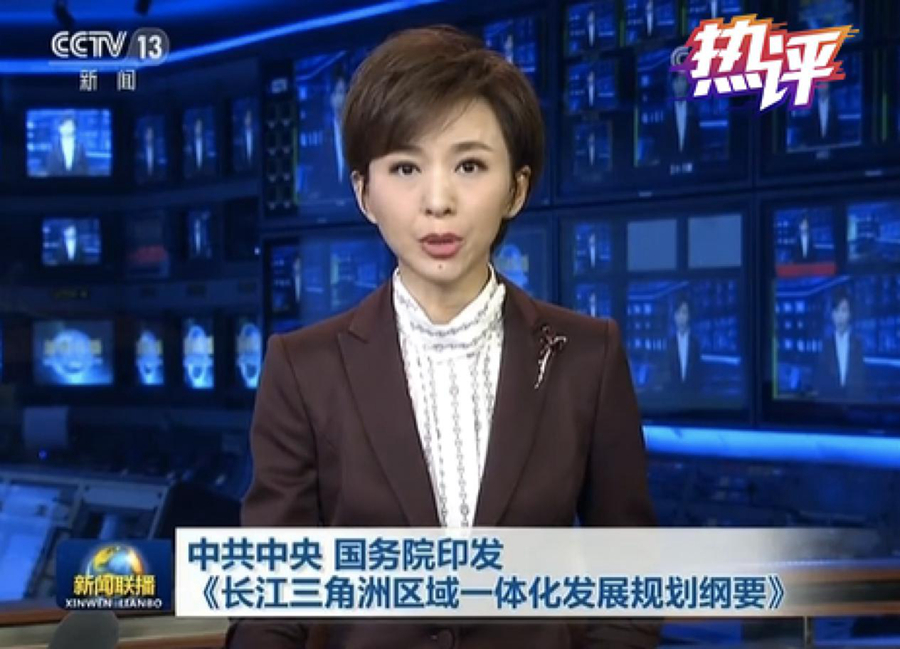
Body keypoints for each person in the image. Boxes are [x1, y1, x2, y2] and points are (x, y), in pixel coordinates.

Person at [227, 25, 659, 649]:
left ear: (516, 188)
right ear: (364, 192)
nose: (438, 201)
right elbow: (270, 603)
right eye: (405, 167)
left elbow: (630, 580)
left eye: (469, 165)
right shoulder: (302, 368)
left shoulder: (587, 356)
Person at [815, 290, 866, 400]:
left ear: (850, 314)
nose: (840, 316)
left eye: (844, 310)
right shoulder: (826, 345)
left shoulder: (858, 344)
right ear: (832, 315)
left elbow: (862, 380)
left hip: (855, 403)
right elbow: (821, 381)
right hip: (831, 404)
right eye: (836, 311)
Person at [666, 296, 702, 394]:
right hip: (673, 396)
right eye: (678, 313)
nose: (681, 317)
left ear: (689, 316)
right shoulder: (669, 344)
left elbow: (698, 374)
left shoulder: (695, 344)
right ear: (674, 317)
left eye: (684, 312)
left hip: (693, 396)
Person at [664, 72, 700, 160]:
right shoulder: (667, 114)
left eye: (682, 80)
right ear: (672, 84)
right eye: (676, 81)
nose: (679, 85)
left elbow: (698, 145)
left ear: (687, 83)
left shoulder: (694, 112)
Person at [236, 104, 257, 170]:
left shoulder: (256, 134)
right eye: (247, 117)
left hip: (256, 166)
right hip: (242, 167)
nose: (249, 120)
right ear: (244, 120)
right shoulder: (240, 134)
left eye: (250, 117)